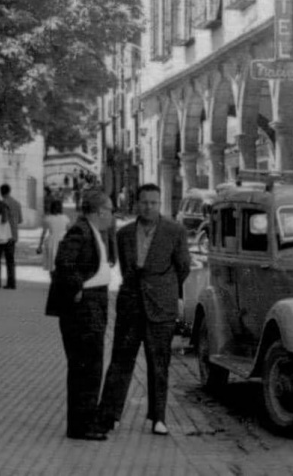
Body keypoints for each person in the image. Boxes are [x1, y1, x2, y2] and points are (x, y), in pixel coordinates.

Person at [99, 184, 191, 437]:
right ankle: (110, 415)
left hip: (160, 308)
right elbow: (123, 266)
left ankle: (158, 417)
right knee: (120, 361)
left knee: (159, 363)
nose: (148, 207)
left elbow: (183, 268)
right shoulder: (125, 233)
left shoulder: (175, 231)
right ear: (136, 203)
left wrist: (163, 290)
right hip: (130, 305)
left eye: (153, 202)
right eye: (144, 202)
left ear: (159, 204)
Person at [45, 188, 114, 441]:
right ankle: (81, 425)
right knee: (85, 368)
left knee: (90, 367)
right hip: (84, 310)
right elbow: (64, 262)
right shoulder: (81, 230)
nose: (112, 216)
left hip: (93, 307)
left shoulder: (92, 230)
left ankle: (86, 421)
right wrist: (75, 289)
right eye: (110, 211)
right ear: (99, 211)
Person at [0, 184, 23, 289]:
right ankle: (12, 282)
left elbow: (1, 220)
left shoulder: (2, 204)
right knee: (10, 260)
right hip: (13, 234)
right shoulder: (17, 203)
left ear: (1, 192)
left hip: (3, 234)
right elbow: (20, 220)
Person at [37, 198, 70, 271]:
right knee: (61, 265)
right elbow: (69, 233)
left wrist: (39, 246)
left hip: (51, 242)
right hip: (62, 242)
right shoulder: (66, 218)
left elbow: (43, 234)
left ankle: (53, 279)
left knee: (51, 265)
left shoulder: (47, 218)